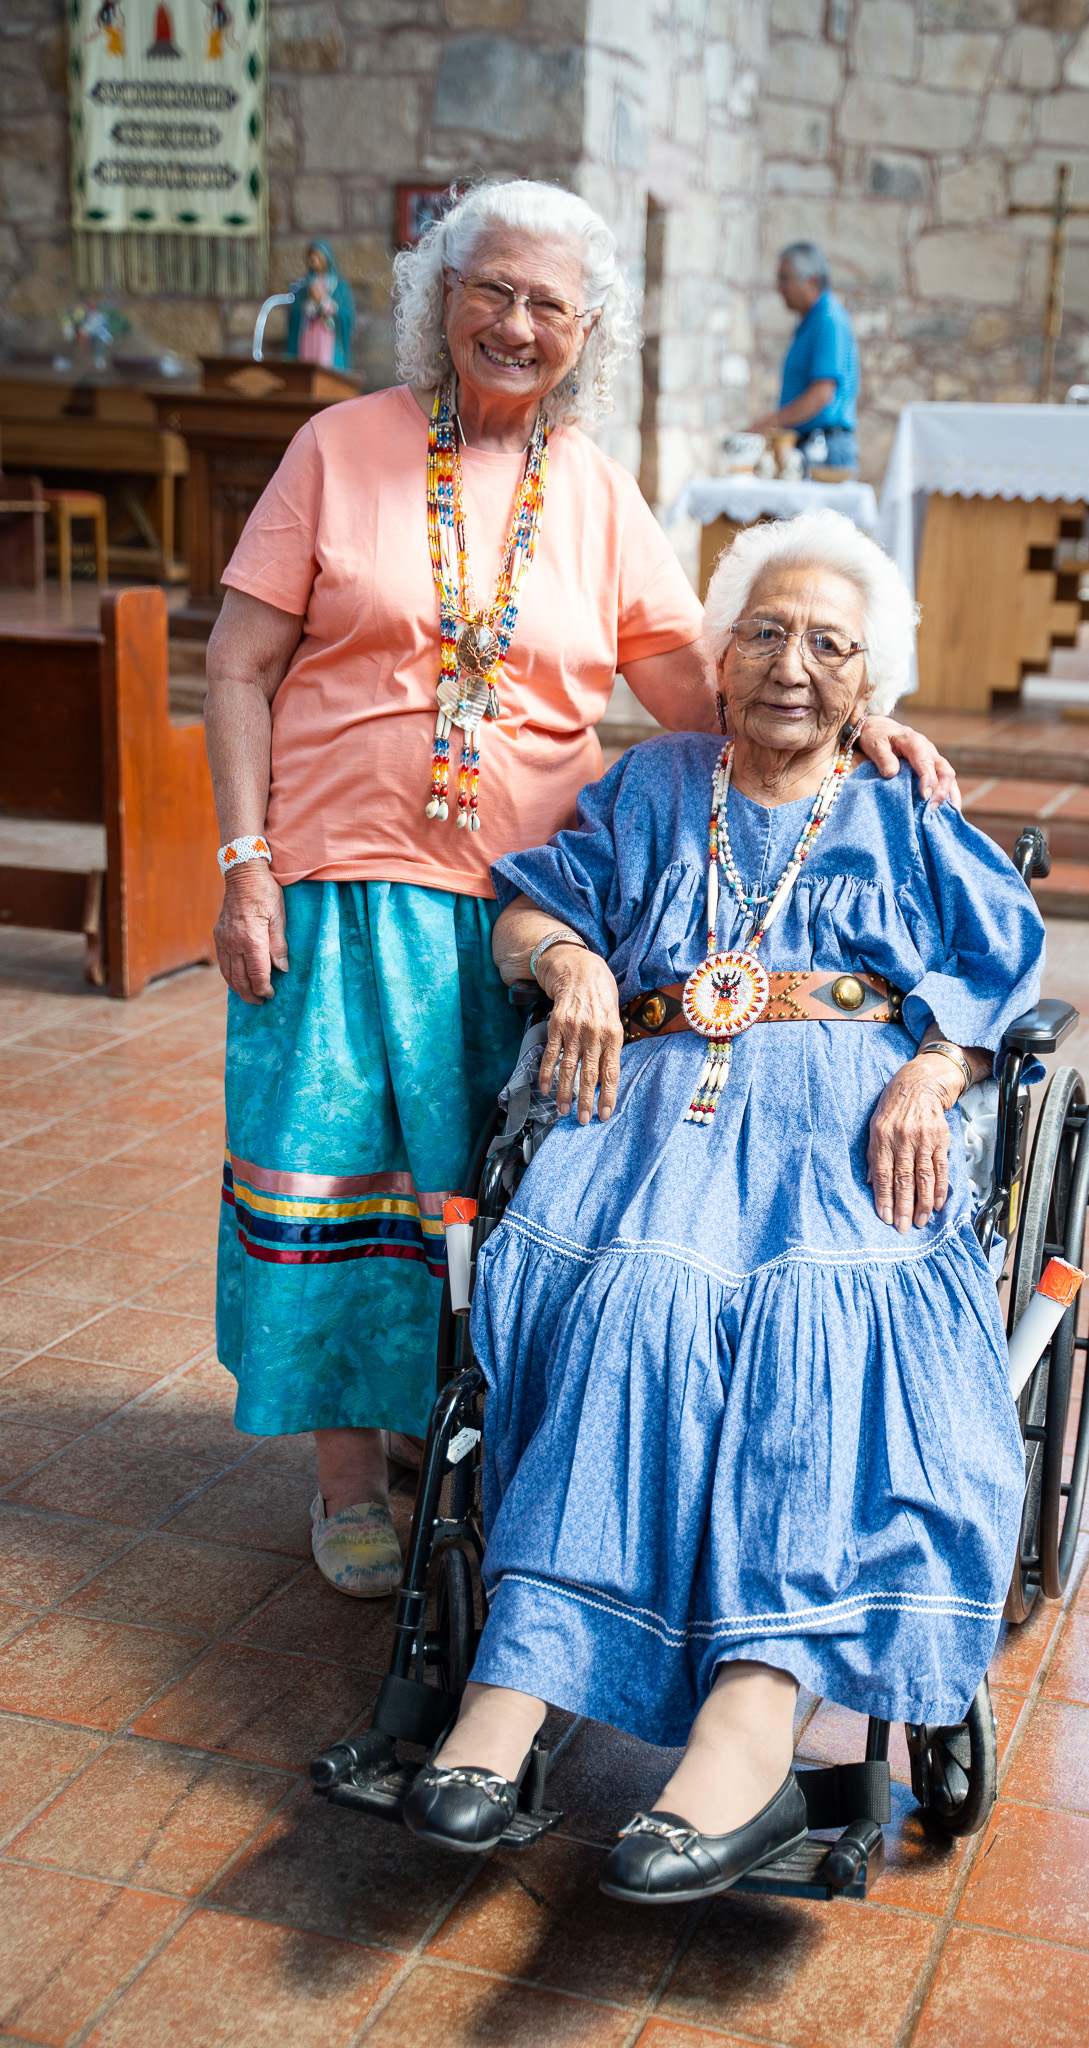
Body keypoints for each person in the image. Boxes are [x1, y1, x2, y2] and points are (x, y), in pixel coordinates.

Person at [204, 182, 959, 1604]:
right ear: (441, 296)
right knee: (334, 1179)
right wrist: (246, 865)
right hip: (336, 884)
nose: (515, 322)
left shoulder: (598, 493)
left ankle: (444, 1428)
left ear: (587, 332)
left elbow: (704, 690)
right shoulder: (338, 448)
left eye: (548, 303)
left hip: (526, 912)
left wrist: (854, 720)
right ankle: (347, 1476)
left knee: (484, 1193)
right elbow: (237, 665)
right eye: (490, 289)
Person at [402, 511, 1041, 1906]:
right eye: (764, 632)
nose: (791, 666)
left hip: (849, 1122)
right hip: (654, 1114)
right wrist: (573, 964)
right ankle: (516, 1687)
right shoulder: (652, 784)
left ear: (868, 681)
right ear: (718, 654)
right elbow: (529, 910)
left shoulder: (901, 803)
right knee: (642, 1292)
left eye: (828, 645)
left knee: (819, 1317)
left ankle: (753, 1721)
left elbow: (1000, 966)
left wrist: (934, 1070)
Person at [750, 241, 860, 475]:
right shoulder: (813, 321)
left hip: (824, 449)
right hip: (809, 444)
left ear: (811, 281)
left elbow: (822, 393)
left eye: (784, 279)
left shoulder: (829, 320)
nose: (779, 287)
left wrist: (768, 425)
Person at [285, 240, 354, 372]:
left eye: (317, 256)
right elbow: (295, 311)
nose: (313, 260)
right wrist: (309, 305)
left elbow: (346, 313)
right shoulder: (305, 284)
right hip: (309, 332)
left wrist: (325, 303)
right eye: (311, 257)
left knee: (325, 366)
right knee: (307, 365)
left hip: (327, 334)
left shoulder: (339, 285)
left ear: (325, 258)